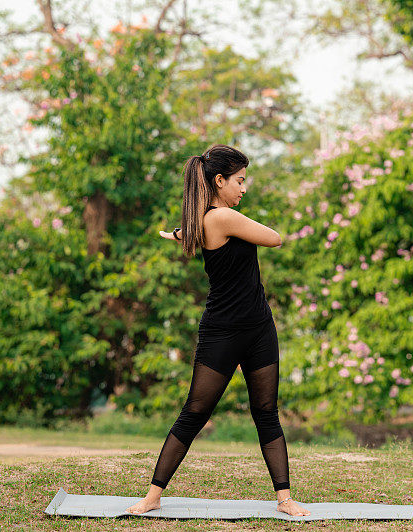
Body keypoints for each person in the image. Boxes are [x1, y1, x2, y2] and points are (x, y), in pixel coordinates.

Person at [126, 144, 310, 517]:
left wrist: (179, 233)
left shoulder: (204, 221)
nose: (244, 189)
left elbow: (193, 233)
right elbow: (275, 237)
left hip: (259, 328)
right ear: (219, 180)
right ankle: (152, 497)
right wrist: (188, 230)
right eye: (239, 181)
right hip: (223, 333)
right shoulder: (223, 217)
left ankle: (285, 499)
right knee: (195, 411)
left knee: (265, 411)